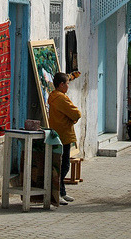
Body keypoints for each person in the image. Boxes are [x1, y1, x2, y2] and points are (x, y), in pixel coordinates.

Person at [48, 72, 81, 205]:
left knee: (61, 164)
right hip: (63, 135)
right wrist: (72, 119)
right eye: (67, 84)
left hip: (59, 133)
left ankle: (62, 191)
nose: (68, 86)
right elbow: (76, 113)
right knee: (63, 165)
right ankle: (57, 193)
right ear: (61, 85)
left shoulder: (54, 97)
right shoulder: (60, 98)